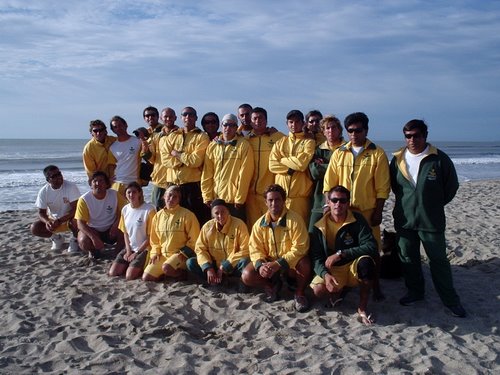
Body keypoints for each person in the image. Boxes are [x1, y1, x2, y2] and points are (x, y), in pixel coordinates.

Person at [390, 119, 466, 317]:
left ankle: (450, 300)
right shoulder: (397, 159)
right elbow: (394, 187)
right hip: (405, 220)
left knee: (438, 260)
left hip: (431, 221)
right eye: (408, 136)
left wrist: (432, 205)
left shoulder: (439, 159)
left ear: (425, 136)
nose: (412, 140)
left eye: (416, 135)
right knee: (408, 258)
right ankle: (415, 292)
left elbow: (451, 187)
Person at [323, 112, 390, 300]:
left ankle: (375, 286)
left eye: (358, 130)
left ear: (366, 130)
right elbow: (329, 183)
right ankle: (346, 282)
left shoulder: (377, 153)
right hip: (343, 211)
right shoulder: (339, 153)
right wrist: (330, 205)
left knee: (372, 249)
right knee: (341, 247)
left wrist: (378, 211)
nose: (354, 134)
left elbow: (383, 187)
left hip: (367, 211)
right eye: (350, 131)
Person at [310, 185, 378, 326]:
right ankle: (339, 291)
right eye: (334, 200)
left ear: (348, 203)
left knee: (367, 263)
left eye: (342, 201)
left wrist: (341, 254)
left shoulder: (357, 219)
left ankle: (362, 306)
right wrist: (325, 275)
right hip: (334, 270)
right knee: (318, 290)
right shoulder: (319, 225)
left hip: (353, 265)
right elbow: (316, 257)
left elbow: (371, 246)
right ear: (328, 202)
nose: (338, 204)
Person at [241, 184, 312, 312]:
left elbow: (301, 247)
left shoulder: (295, 220)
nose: (274, 203)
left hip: (289, 264)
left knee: (305, 263)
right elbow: (255, 249)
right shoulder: (259, 224)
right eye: (270, 200)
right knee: (247, 275)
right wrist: (260, 265)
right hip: (270, 263)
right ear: (266, 202)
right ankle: (271, 286)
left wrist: (279, 263)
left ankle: (299, 293)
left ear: (284, 201)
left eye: (278, 199)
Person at [161, 106, 211, 225]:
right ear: (181, 117)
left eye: (191, 114)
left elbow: (196, 161)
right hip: (172, 184)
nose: (188, 117)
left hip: (191, 186)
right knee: (172, 220)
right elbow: (165, 159)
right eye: (185, 114)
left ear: (196, 118)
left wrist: (176, 154)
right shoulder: (172, 136)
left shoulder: (202, 136)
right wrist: (183, 161)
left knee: (194, 220)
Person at [201, 113, 254, 222]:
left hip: (234, 200)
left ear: (236, 127)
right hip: (217, 198)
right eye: (225, 125)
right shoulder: (213, 145)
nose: (228, 128)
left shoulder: (243, 145)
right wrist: (207, 196)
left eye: (232, 125)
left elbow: (245, 174)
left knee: (235, 233)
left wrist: (240, 198)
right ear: (221, 126)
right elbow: (207, 173)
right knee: (218, 232)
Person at [142, 185, 200, 282]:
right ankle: (168, 274)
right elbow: (154, 240)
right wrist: (155, 252)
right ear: (164, 196)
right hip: (163, 255)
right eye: (169, 195)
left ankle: (184, 274)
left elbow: (195, 239)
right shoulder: (158, 216)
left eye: (175, 197)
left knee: (167, 268)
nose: (171, 199)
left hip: (179, 255)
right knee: (147, 278)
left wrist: (184, 253)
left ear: (179, 200)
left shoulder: (188, 215)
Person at [187, 199, 250, 286]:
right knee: (190, 262)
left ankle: (230, 279)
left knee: (245, 261)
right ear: (212, 215)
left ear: (228, 211)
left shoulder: (239, 224)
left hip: (232, 265)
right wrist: (208, 268)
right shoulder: (207, 227)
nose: (220, 216)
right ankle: (214, 279)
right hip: (214, 265)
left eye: (223, 212)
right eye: (216, 213)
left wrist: (225, 266)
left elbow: (246, 250)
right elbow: (200, 249)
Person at [269, 109, 315, 223]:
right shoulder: (280, 142)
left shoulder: (309, 142)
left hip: (300, 198)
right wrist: (290, 168)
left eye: (297, 121)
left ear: (303, 123)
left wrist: (282, 160)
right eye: (291, 122)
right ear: (287, 124)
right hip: (280, 198)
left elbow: (301, 164)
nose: (294, 124)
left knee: (300, 229)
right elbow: (272, 165)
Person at [245, 107, 285, 227]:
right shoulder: (245, 140)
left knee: (272, 226)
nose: (258, 121)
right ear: (251, 121)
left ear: (266, 120)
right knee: (253, 227)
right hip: (250, 194)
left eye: (261, 118)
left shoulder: (279, 138)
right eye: (255, 118)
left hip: (271, 194)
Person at [109, 182, 156, 280]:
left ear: (139, 193)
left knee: (130, 276)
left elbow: (151, 236)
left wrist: (137, 252)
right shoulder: (125, 209)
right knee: (113, 272)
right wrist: (128, 250)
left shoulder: (149, 210)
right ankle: (130, 263)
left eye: (134, 192)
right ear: (125, 194)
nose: (131, 195)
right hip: (130, 247)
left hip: (144, 249)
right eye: (128, 192)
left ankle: (137, 265)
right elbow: (125, 233)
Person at [75, 171, 126, 259]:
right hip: (94, 229)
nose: (98, 183)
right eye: (95, 181)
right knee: (83, 241)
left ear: (107, 184)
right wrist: (94, 237)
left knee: (125, 229)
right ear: (91, 185)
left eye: (101, 181)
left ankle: (117, 254)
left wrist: (116, 224)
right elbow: (80, 223)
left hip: (111, 229)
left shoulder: (114, 194)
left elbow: (126, 211)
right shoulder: (84, 199)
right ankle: (94, 251)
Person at [31, 165, 81, 252]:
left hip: (69, 219)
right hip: (54, 220)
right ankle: (56, 238)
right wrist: (48, 222)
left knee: (76, 219)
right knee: (35, 228)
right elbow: (41, 212)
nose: (58, 177)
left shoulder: (70, 187)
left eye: (59, 173)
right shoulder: (44, 191)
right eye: (54, 176)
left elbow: (76, 209)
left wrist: (60, 220)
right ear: (48, 180)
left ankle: (74, 239)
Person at [308, 115, 345, 232]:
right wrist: (337, 167)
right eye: (327, 128)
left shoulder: (347, 148)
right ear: (323, 132)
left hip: (342, 200)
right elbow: (314, 172)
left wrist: (324, 166)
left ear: (339, 130)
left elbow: (347, 171)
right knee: (313, 233)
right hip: (319, 200)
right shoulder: (318, 150)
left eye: (334, 127)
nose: (330, 131)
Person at [144, 107, 179, 210]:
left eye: (170, 117)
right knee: (158, 211)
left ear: (175, 118)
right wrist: (145, 150)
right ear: (161, 118)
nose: (168, 119)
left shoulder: (181, 134)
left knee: (175, 211)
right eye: (165, 117)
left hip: (175, 179)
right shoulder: (156, 136)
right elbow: (152, 159)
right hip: (159, 180)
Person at [109, 116, 141, 196]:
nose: (118, 128)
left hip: (134, 183)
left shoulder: (137, 142)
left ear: (126, 125)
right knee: (118, 208)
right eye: (115, 127)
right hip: (118, 184)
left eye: (120, 125)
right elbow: (111, 166)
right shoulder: (112, 147)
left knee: (137, 208)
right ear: (113, 130)